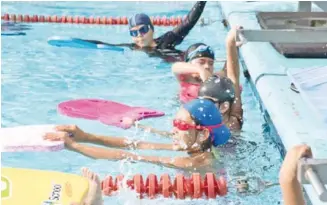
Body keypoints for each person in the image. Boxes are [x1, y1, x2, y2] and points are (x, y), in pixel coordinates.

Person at [44, 99, 231, 171]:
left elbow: (128, 156)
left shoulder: (195, 163)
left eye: (180, 125)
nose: (173, 129)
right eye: (175, 122)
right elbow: (136, 145)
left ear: (203, 133)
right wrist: (86, 137)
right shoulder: (193, 148)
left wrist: (73, 146)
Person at [83, 2, 207, 62]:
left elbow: (188, 23)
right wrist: (80, 41)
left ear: (152, 30)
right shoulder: (132, 48)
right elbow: (105, 45)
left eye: (143, 30)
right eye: (134, 33)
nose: (139, 36)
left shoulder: (166, 41)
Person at [171, 26, 243, 103]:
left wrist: (234, 48)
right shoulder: (186, 78)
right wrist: (200, 70)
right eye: (201, 62)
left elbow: (227, 70)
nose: (207, 66)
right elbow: (175, 67)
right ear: (189, 63)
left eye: (211, 63)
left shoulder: (214, 78)